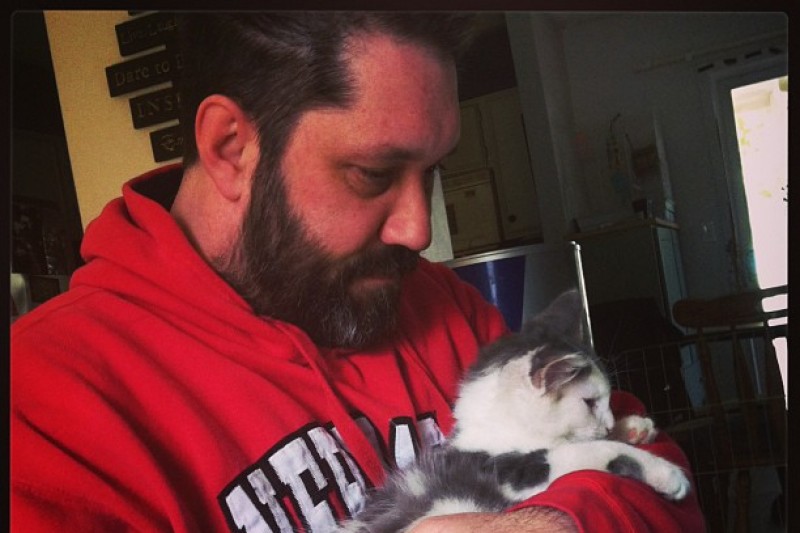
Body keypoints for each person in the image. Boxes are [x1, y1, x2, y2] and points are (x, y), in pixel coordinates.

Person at [10, 12, 705, 532]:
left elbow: (660, 471)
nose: (419, 230)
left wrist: (553, 522)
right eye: (373, 173)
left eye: (432, 173)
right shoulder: (42, 407)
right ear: (230, 147)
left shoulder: (443, 306)